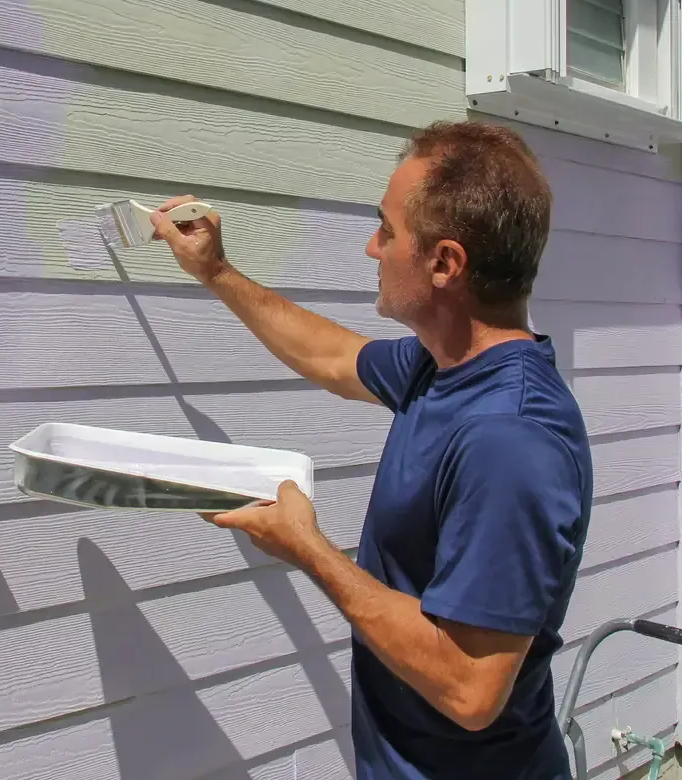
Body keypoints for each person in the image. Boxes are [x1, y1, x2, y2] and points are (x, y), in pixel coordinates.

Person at [149, 120, 593, 780]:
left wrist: (307, 548)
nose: (370, 247)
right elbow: (332, 356)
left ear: (445, 263)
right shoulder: (441, 369)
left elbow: (472, 689)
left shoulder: (510, 438)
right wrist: (216, 271)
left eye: (386, 231)